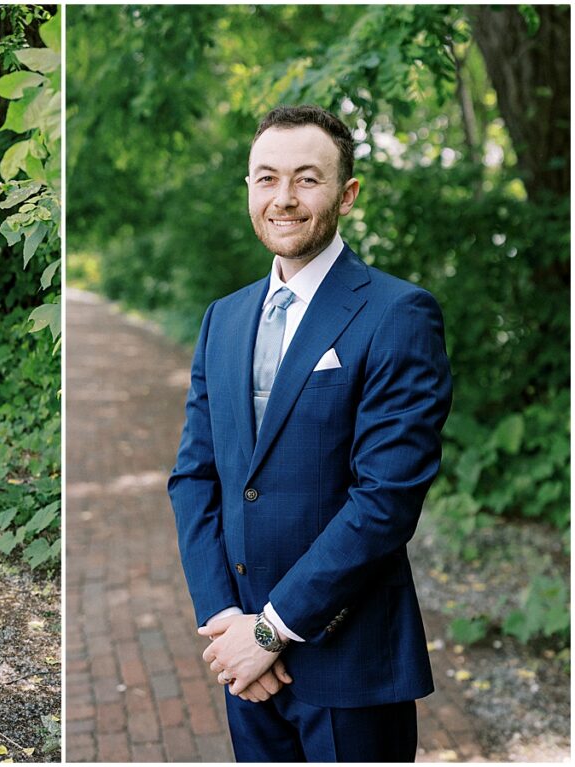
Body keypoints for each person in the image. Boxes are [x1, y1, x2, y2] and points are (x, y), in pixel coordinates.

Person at [167, 105, 452, 762]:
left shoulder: (398, 314)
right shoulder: (224, 318)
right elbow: (193, 476)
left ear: (346, 194)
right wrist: (227, 622)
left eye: (306, 179)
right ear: (248, 187)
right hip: (244, 662)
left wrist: (272, 630)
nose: (284, 199)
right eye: (266, 179)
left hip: (349, 666)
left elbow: (384, 502)